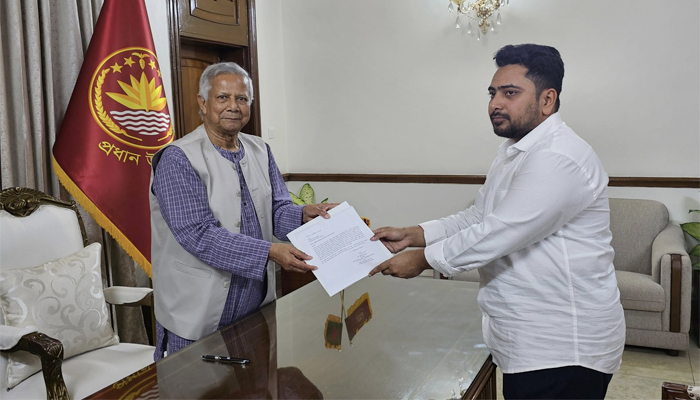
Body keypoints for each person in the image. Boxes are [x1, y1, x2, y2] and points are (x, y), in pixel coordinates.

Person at [369, 44, 625, 400]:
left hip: (563, 347)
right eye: (492, 93)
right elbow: (479, 216)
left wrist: (423, 259)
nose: (495, 104)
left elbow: (500, 233)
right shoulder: (514, 152)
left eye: (510, 93)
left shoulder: (558, 156)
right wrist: (415, 235)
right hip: (529, 341)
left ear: (547, 99)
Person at [149, 62, 336, 360]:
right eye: (223, 97)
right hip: (197, 310)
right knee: (193, 384)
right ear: (203, 103)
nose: (233, 106)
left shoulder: (261, 149)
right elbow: (199, 235)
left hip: (255, 305)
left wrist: (303, 215)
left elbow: (276, 210)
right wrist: (269, 252)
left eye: (242, 98)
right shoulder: (178, 158)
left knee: (255, 381)